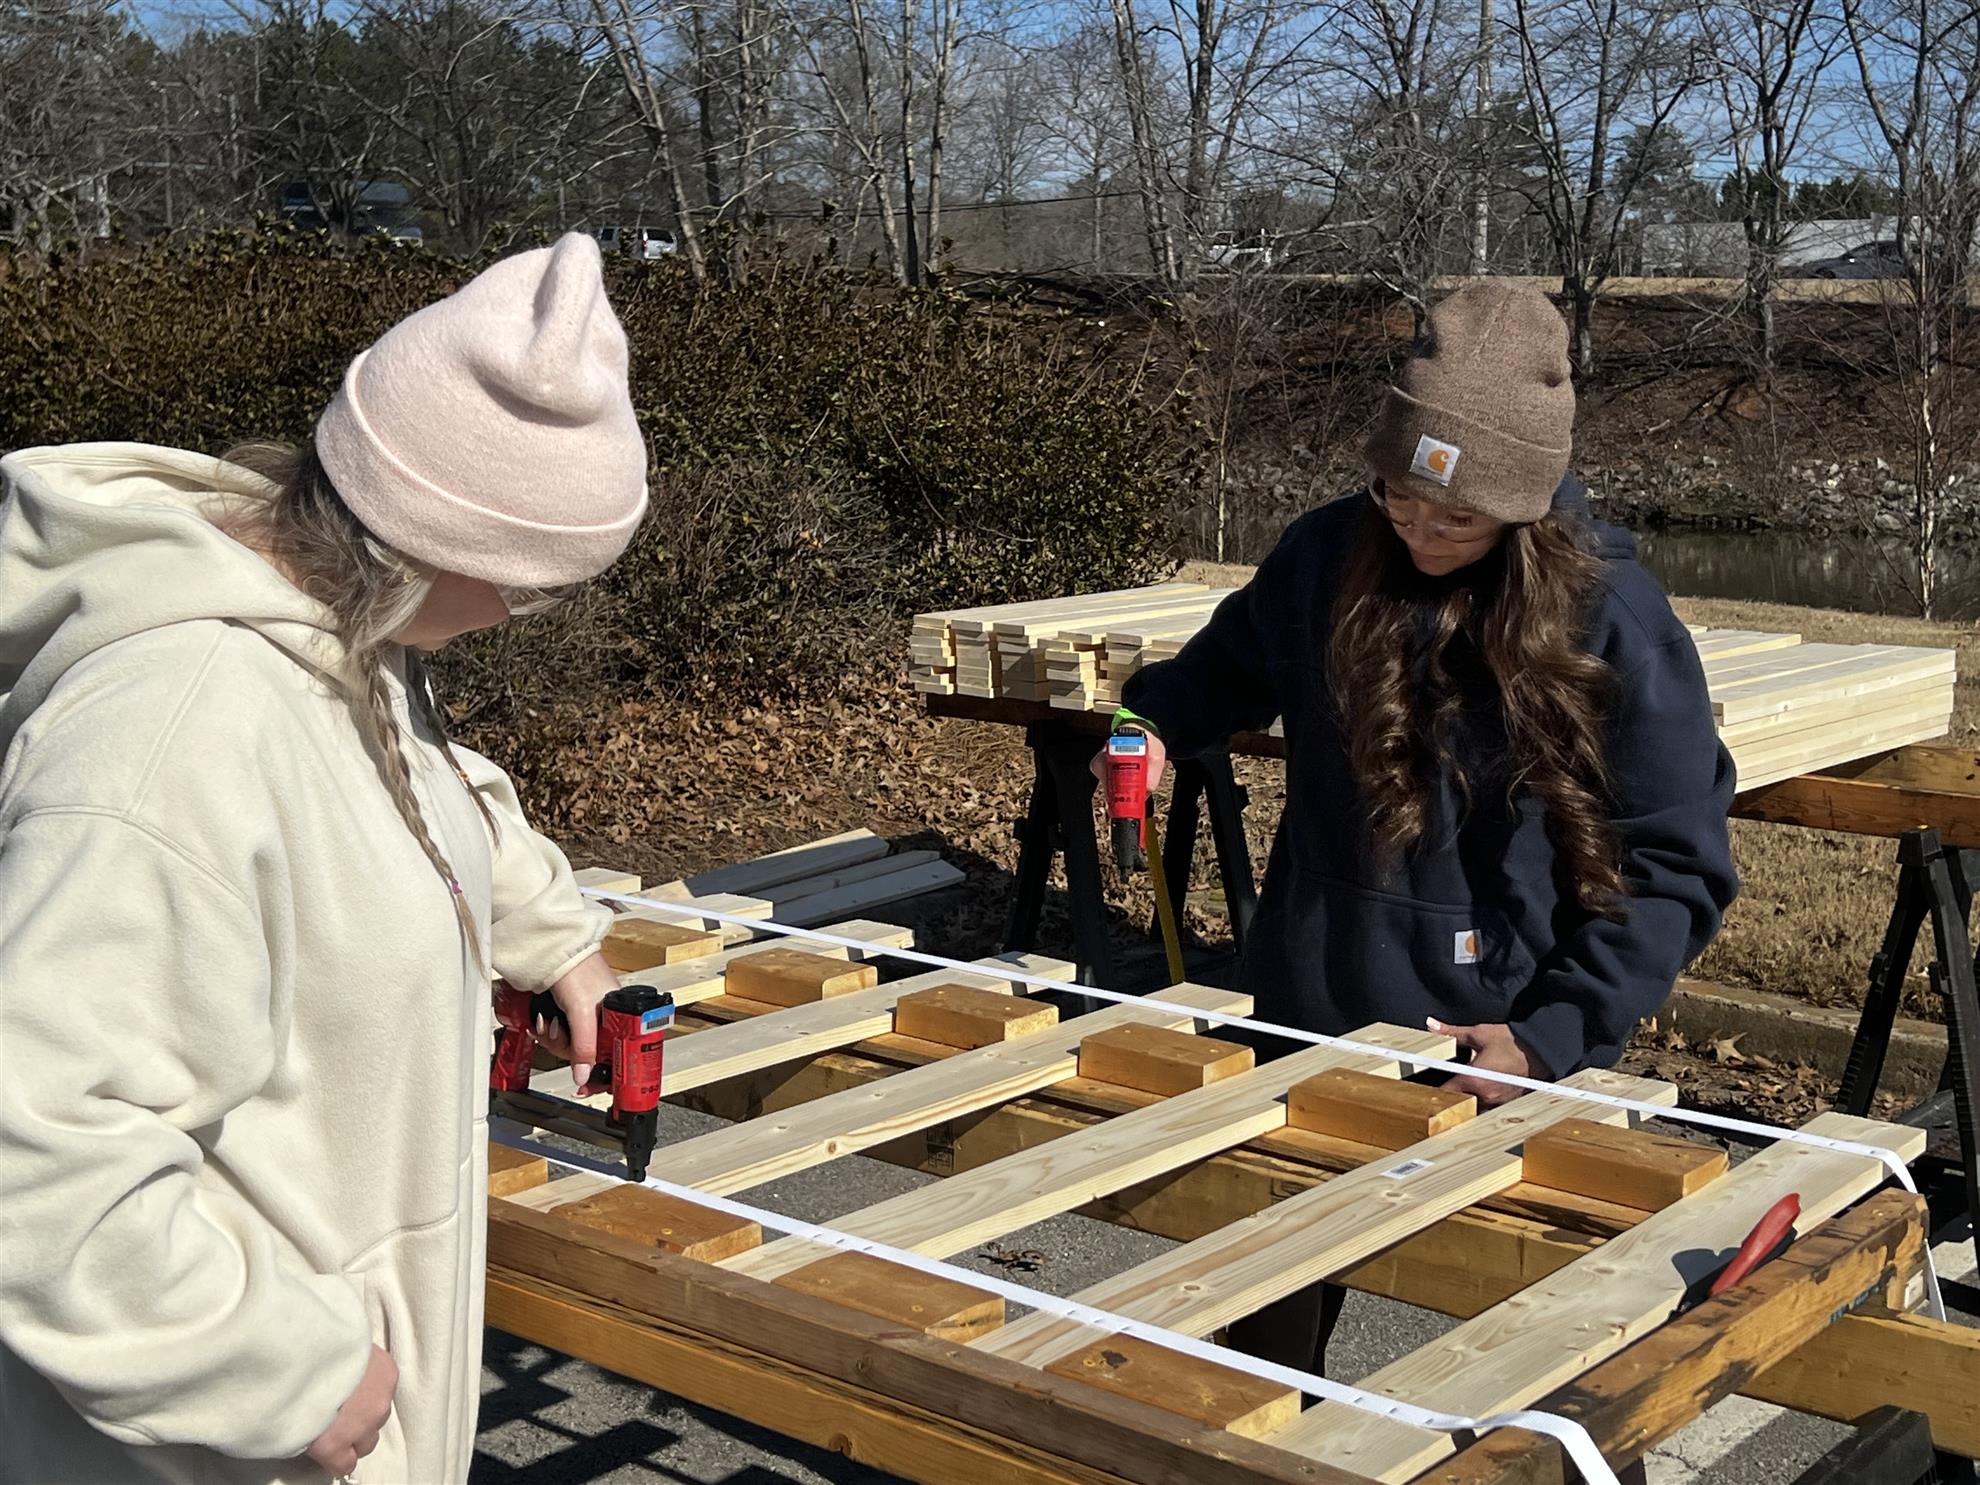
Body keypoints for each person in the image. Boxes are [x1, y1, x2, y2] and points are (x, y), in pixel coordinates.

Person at [0, 233, 648, 1483]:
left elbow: (415, 789)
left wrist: (551, 934)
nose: (529, 614)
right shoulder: (169, 737)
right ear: (441, 540)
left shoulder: (344, 640)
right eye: (537, 586)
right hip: (214, 1445)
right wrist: (271, 1372)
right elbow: (35, 1145)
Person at [1104, 281, 1739, 1372]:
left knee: (1529, 1345)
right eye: (1400, 498)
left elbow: (1675, 865)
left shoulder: (1612, 621)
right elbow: (1222, 670)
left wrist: (1550, 1036)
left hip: (1498, 1033)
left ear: (1524, 508)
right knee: (1267, 1306)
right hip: (1310, 996)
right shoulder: (1324, 556)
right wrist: (1151, 723)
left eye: (1458, 516)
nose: (1421, 531)